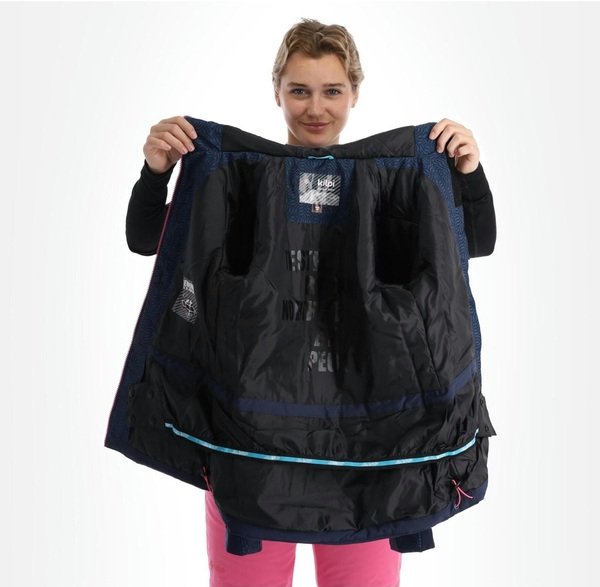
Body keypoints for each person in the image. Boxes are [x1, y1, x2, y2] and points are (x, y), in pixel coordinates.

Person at [125, 18, 496, 587]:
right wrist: (156, 173)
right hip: (249, 436)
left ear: (354, 93)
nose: (316, 108)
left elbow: (477, 244)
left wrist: (467, 175)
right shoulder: (237, 184)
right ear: (277, 91)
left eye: (332, 90)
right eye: (299, 90)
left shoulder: (393, 190)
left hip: (371, 445)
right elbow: (146, 239)